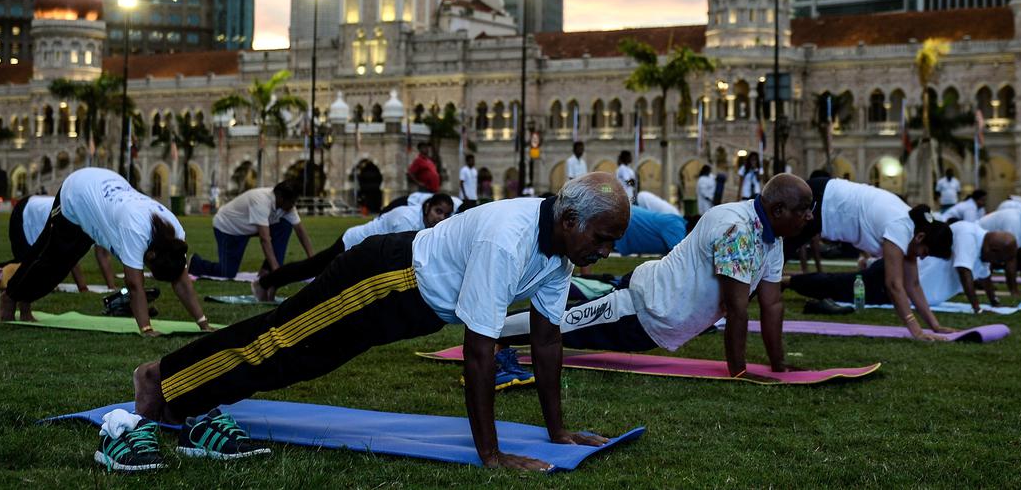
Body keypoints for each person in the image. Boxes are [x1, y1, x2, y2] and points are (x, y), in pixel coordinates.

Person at [99, 173, 630, 473]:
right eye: (602, 239)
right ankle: (160, 378)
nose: (604, 252)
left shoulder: (560, 256)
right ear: (568, 221)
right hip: (385, 278)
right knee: (280, 344)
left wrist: (558, 430)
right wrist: (490, 456)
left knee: (301, 360)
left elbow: (547, 343)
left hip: (408, 303)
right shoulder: (509, 238)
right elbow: (478, 353)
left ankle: (187, 398)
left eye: (611, 243)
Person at [498, 174, 813, 381]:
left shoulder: (772, 239)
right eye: (804, 210)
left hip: (659, 317)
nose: (809, 217)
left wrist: (778, 363)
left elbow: (772, 303)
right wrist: (739, 371)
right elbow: (737, 307)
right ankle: (495, 330)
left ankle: (498, 328)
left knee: (562, 322)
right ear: (778, 210)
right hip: (643, 307)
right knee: (561, 325)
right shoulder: (738, 229)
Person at [0, 168, 209, 335]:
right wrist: (146, 329)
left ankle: (24, 302)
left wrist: (203, 324)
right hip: (77, 194)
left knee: (61, 267)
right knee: (48, 258)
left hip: (98, 201)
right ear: (151, 255)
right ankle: (10, 297)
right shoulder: (135, 230)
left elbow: (181, 281)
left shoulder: (175, 236)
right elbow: (135, 286)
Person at [783, 178, 956, 340]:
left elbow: (913, 285)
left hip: (824, 202)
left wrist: (935, 326)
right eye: (925, 252)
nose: (923, 257)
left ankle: (768, 287)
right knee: (776, 254)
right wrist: (916, 330)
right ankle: (765, 291)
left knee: (776, 255)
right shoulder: (900, 227)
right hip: (821, 199)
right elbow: (894, 285)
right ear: (920, 237)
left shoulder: (912, 233)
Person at [257, 194, 454, 295]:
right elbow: (397, 258)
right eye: (438, 211)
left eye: (446, 214)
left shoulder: (425, 224)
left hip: (367, 250)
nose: (441, 218)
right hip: (352, 243)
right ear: (427, 207)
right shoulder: (407, 220)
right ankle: (265, 282)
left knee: (316, 271)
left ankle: (272, 282)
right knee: (313, 270)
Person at [1, 194, 118, 315]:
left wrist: (111, 287)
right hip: (25, 212)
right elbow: (69, 255)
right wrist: (83, 288)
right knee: (30, 261)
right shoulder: (78, 216)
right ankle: (11, 300)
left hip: (43, 209)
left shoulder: (102, 218)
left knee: (40, 262)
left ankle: (24, 304)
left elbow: (103, 253)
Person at [188, 181, 317, 280]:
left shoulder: (285, 206)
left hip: (249, 227)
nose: (294, 206)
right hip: (228, 228)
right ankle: (196, 263)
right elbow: (265, 240)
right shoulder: (261, 201)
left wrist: (314, 261)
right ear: (282, 199)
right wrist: (277, 272)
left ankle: (267, 270)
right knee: (227, 273)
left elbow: (300, 231)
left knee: (286, 225)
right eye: (293, 202)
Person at [918, 223, 1017, 313]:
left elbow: (985, 277)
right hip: (918, 285)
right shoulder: (967, 234)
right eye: (1000, 260)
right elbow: (963, 271)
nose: (998, 263)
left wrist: (994, 302)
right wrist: (977, 308)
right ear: (994, 250)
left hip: (928, 296)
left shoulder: (983, 246)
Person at [613, 205, 687, 255]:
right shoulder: (677, 226)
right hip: (625, 220)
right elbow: (678, 256)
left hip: (625, 216)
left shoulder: (676, 222)